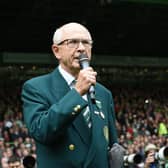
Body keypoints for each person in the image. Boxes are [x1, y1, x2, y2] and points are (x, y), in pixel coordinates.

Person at [21, 22, 119, 168]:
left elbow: (111, 145)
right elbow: (42, 131)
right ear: (56, 51)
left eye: (86, 42)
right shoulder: (36, 87)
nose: (81, 48)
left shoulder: (103, 93)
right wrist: (77, 93)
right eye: (72, 42)